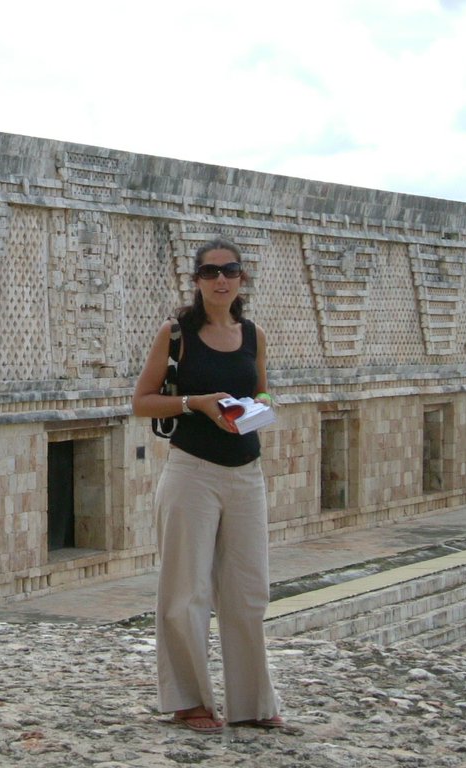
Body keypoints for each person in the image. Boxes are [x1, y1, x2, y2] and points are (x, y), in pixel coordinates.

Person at [132, 237, 295, 735]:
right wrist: (196, 403)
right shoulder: (176, 335)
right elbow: (142, 401)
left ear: (242, 277)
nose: (220, 279)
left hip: (246, 471)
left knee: (248, 591)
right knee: (186, 591)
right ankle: (190, 702)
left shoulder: (253, 335)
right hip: (192, 471)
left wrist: (260, 406)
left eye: (229, 270)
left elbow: (262, 388)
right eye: (210, 272)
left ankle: (252, 703)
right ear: (197, 280)